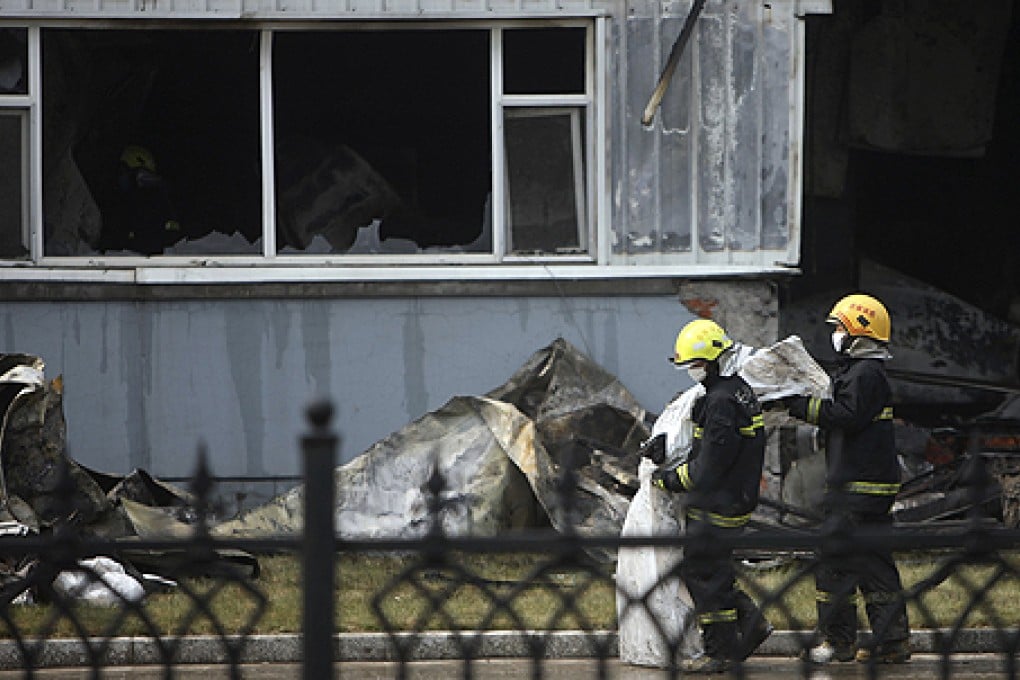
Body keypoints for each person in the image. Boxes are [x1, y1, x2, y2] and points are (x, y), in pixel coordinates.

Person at [783, 293, 910, 665]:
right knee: (873, 565)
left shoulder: (864, 373)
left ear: (859, 331)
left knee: (834, 562)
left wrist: (797, 405)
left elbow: (845, 415)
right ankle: (892, 642)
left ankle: (838, 642)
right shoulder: (866, 374)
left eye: (839, 327)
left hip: (856, 489)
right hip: (871, 486)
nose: (834, 334)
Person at [640, 318, 772, 673]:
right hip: (734, 497)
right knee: (712, 568)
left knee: (703, 570)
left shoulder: (720, 402)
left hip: (721, 502)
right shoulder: (735, 390)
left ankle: (721, 651)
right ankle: (751, 621)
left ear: (712, 361)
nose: (690, 371)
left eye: (694, 364)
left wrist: (667, 479)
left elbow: (708, 467)